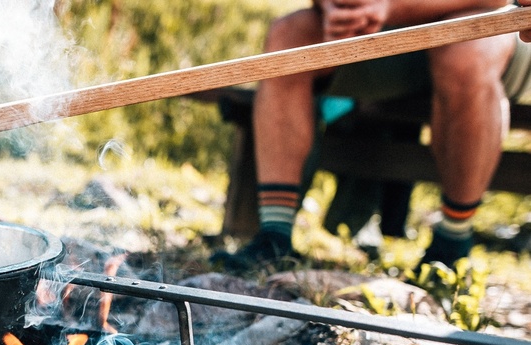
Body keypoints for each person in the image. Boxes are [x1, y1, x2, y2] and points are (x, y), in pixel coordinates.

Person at [211, 0, 531, 272]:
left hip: (489, 29)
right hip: (387, 34)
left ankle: (452, 242)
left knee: (464, 52)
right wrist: (337, 7)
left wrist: (391, 6)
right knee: (289, 35)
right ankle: (274, 238)